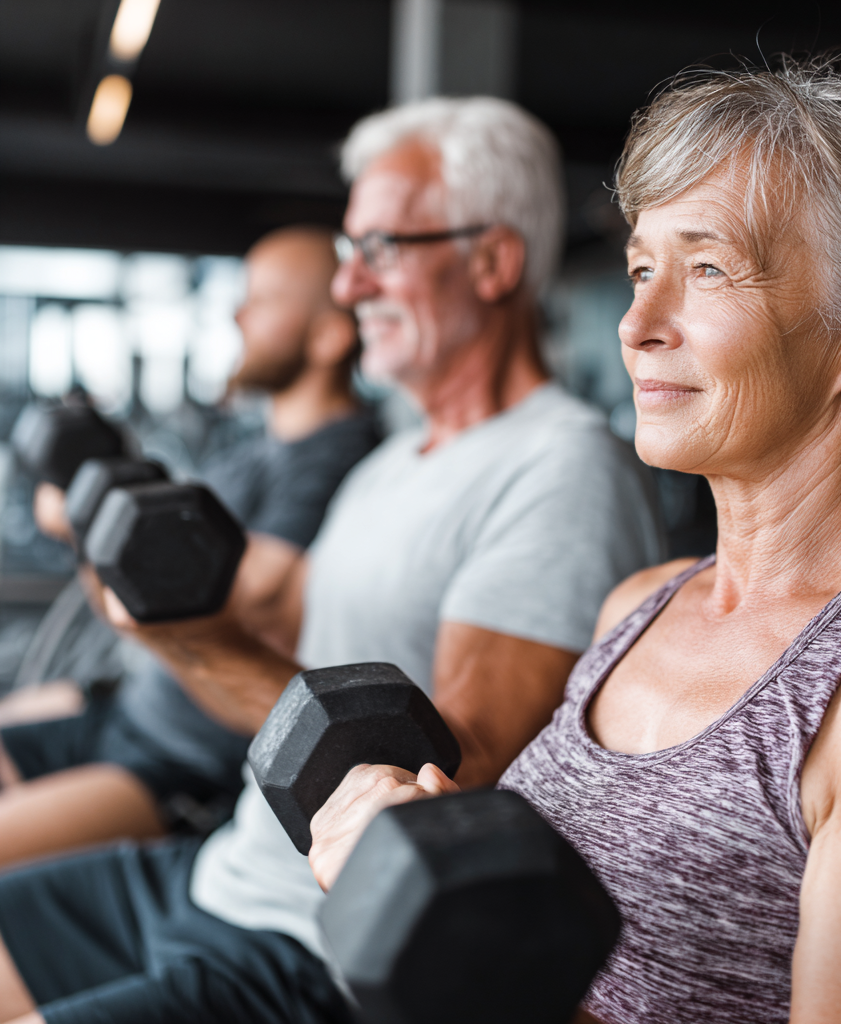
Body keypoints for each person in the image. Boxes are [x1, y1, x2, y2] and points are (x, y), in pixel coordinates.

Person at [305, 59, 841, 1024]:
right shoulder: (636, 607)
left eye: (710, 267)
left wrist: (465, 962)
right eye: (644, 269)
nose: (637, 324)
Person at [0, 97, 663, 1024]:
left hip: (313, 955)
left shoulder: (560, 467)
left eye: (380, 251)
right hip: (219, 872)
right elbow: (271, 628)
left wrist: (195, 643)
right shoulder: (389, 463)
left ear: (494, 260)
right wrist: (137, 585)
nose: (350, 289)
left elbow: (456, 768)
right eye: (348, 255)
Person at [0, 225, 379, 865]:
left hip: (184, 758)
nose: (236, 314)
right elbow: (138, 602)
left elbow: (240, 601)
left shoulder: (335, 456)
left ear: (330, 334)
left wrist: (85, 526)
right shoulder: (251, 449)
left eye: (261, 299)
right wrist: (93, 528)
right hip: (125, 704)